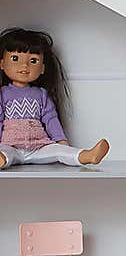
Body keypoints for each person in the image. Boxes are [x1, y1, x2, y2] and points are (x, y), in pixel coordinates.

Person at [0, 27, 110, 169]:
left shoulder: (41, 94)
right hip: (10, 145)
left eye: (33, 60)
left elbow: (51, 119)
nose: (25, 65)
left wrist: (61, 141)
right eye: (15, 58)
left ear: (42, 68)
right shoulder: (3, 93)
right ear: (2, 64)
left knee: (59, 151)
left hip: (39, 146)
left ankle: (85, 156)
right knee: (5, 153)